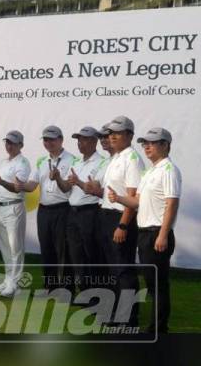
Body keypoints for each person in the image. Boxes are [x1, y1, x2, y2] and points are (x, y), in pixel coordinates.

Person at [108, 127, 181, 333]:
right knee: (151, 284)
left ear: (165, 145)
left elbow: (172, 204)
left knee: (158, 285)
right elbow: (137, 201)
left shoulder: (169, 170)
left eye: (152, 143)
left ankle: (158, 328)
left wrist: (163, 234)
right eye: (144, 143)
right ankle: (156, 326)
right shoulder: (149, 171)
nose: (146, 147)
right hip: (144, 233)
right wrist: (119, 198)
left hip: (157, 233)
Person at [96, 115, 145, 326]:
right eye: (111, 133)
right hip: (106, 215)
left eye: (117, 133)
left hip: (120, 219)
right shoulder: (116, 157)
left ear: (129, 135)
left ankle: (128, 318)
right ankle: (116, 314)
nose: (112, 137)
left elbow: (133, 196)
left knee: (124, 270)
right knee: (112, 269)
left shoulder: (132, 158)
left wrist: (123, 224)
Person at [22, 125, 77, 292]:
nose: (48, 143)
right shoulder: (41, 161)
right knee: (47, 249)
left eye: (52, 139)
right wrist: (16, 185)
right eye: (45, 140)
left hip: (63, 209)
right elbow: (31, 185)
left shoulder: (73, 160)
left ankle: (67, 288)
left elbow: (68, 187)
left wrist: (58, 178)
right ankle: (50, 286)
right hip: (44, 211)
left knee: (64, 251)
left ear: (61, 140)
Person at [64, 126, 107, 293]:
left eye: (84, 139)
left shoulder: (103, 162)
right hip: (72, 212)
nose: (80, 143)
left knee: (91, 255)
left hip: (90, 213)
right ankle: (83, 293)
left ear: (94, 141)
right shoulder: (76, 162)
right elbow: (66, 187)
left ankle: (95, 294)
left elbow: (93, 188)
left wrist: (79, 182)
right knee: (76, 256)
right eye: (78, 140)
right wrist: (60, 180)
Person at [0, 130, 31, 297]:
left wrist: (1, 181)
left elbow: (17, 188)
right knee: (5, 247)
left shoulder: (23, 163)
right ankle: (8, 280)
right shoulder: (3, 162)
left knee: (16, 248)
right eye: (7, 142)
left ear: (20, 145)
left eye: (13, 143)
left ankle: (15, 284)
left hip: (14, 207)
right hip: (1, 207)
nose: (9, 146)